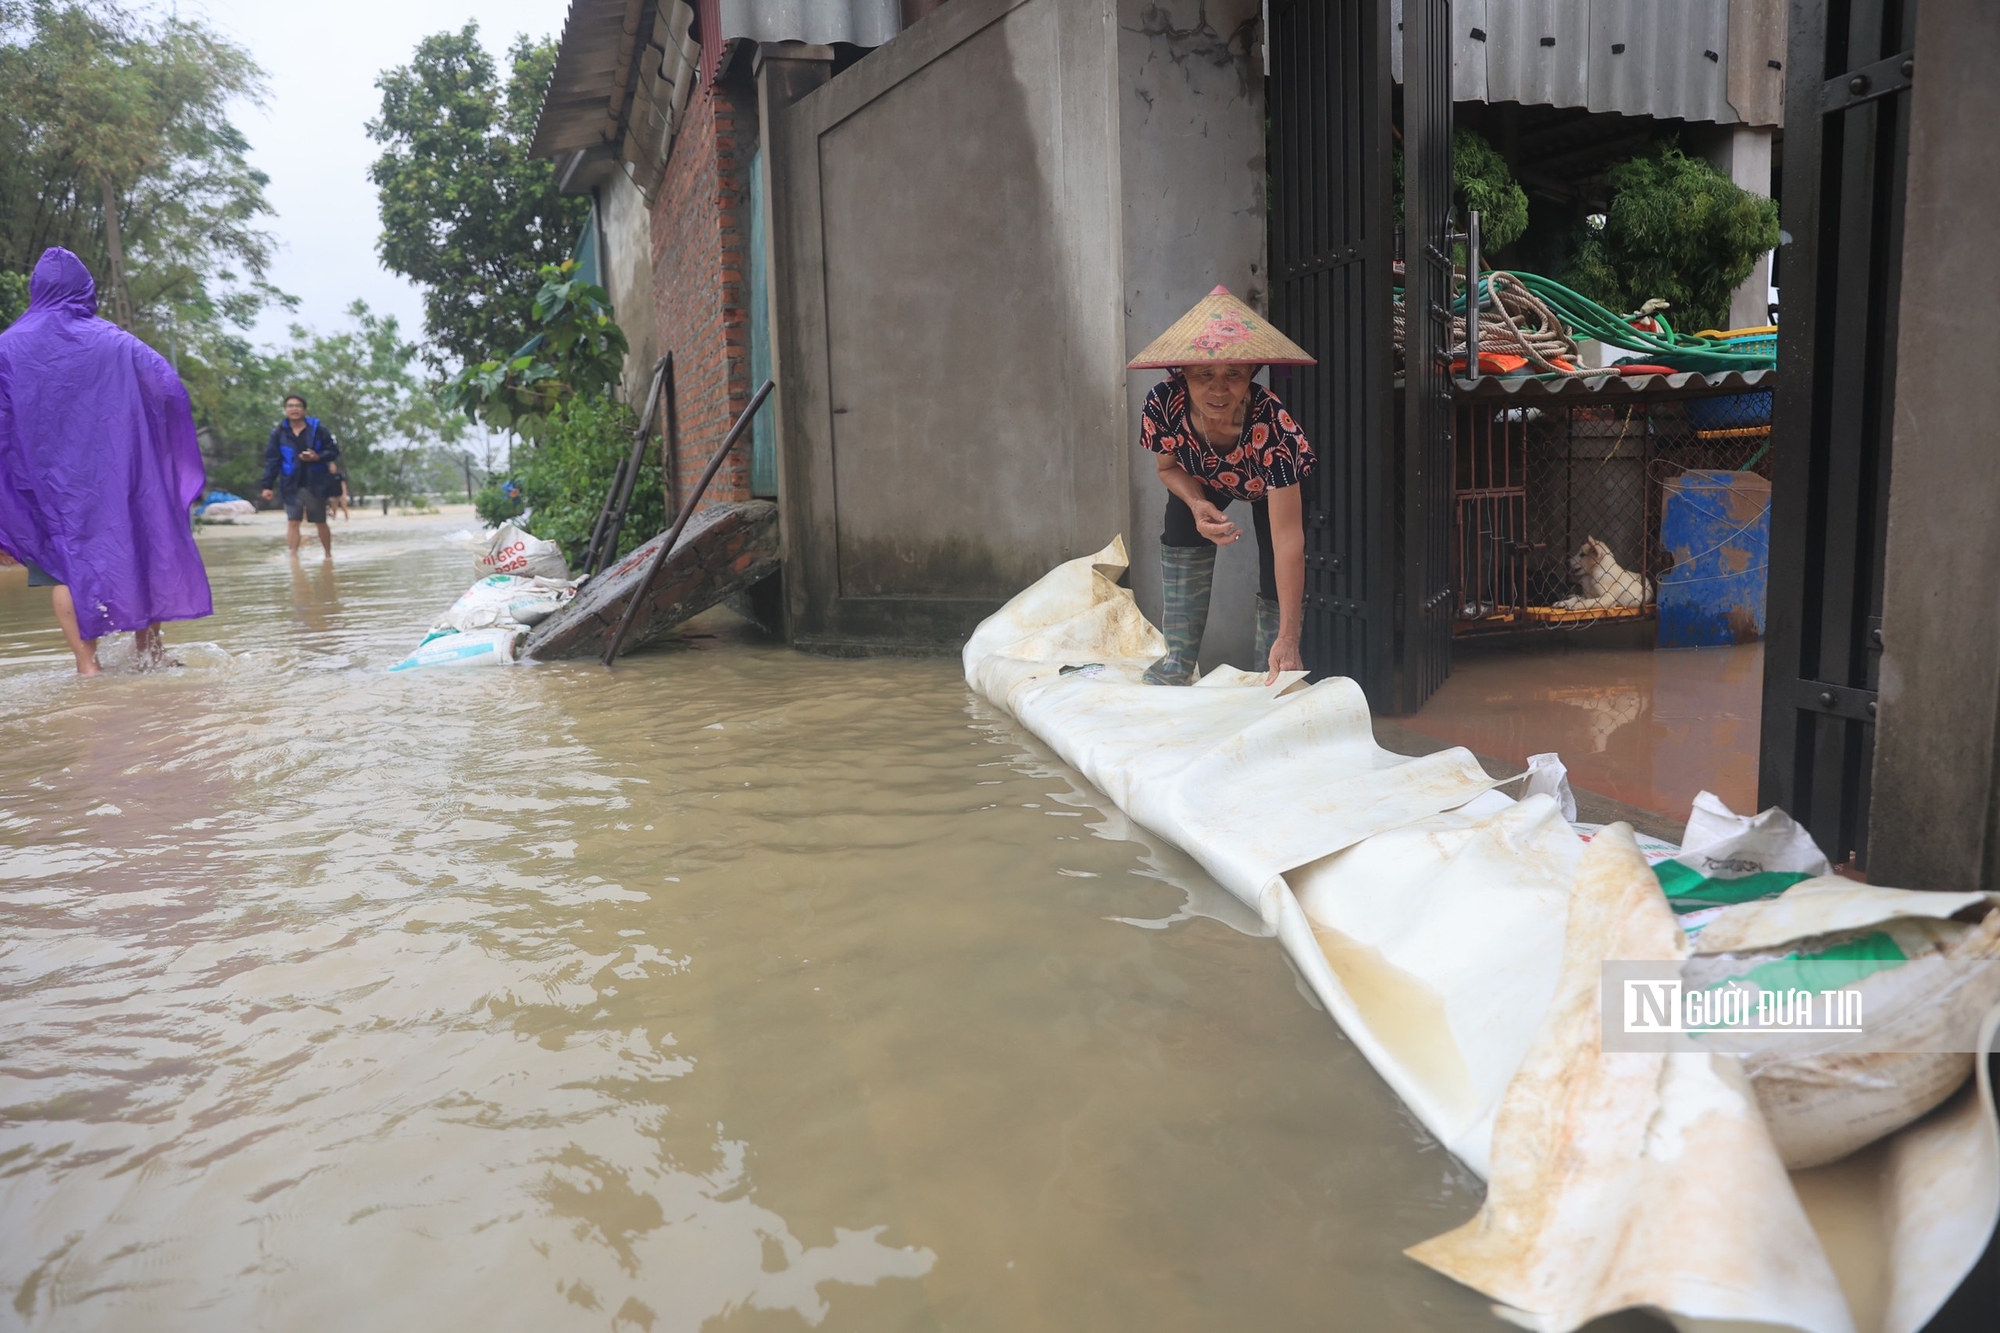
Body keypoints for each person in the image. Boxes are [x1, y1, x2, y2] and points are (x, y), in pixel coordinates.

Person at [0, 248, 213, 674]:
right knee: (136, 552)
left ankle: (88, 667)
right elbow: (170, 391)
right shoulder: (116, 341)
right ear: (86, 289)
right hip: (117, 476)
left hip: (43, 485)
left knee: (61, 570)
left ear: (35, 289)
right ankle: (149, 653)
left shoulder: (7, 346)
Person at [1127, 285, 1319, 685]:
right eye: (1203, 375)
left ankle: (1274, 667)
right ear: (1182, 376)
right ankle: (1177, 663)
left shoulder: (1273, 427)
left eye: (1233, 374)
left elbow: (1288, 542)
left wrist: (1289, 637)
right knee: (1180, 528)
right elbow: (1168, 470)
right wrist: (1197, 504)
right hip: (1203, 477)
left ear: (1251, 374)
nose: (1218, 389)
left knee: (1275, 566)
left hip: (1268, 486)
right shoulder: (1163, 405)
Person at [260, 395, 341, 556]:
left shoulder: (319, 430)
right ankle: (293, 557)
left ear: (304, 410)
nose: (294, 409)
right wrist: (267, 485)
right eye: (290, 406)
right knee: (293, 521)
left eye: (298, 406)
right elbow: (273, 460)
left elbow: (333, 451)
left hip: (316, 482)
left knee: (320, 521)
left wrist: (317, 456)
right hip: (290, 482)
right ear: (285, 410)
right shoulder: (278, 433)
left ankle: (328, 555)